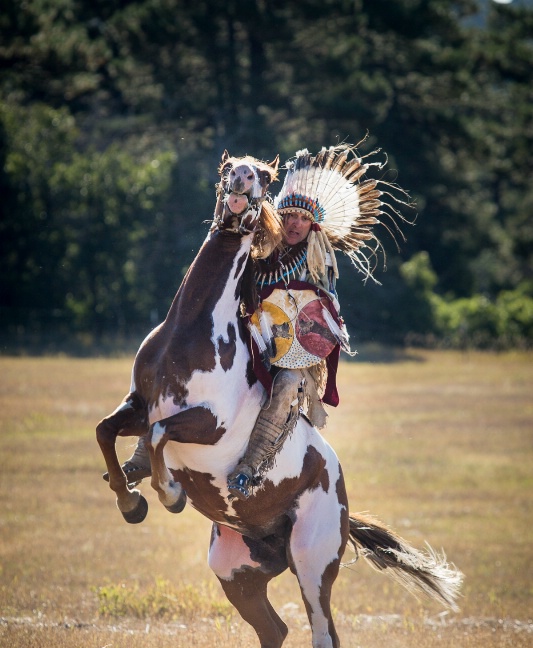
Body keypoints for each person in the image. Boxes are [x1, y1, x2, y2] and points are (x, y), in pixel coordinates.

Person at [109, 144, 391, 496]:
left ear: (312, 224)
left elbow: (327, 314)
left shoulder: (319, 260)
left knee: (287, 385)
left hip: (291, 349)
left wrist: (305, 336)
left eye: (302, 219)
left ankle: (251, 466)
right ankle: (142, 451)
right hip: (248, 331)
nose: (294, 224)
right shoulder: (264, 242)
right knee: (182, 350)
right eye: (288, 216)